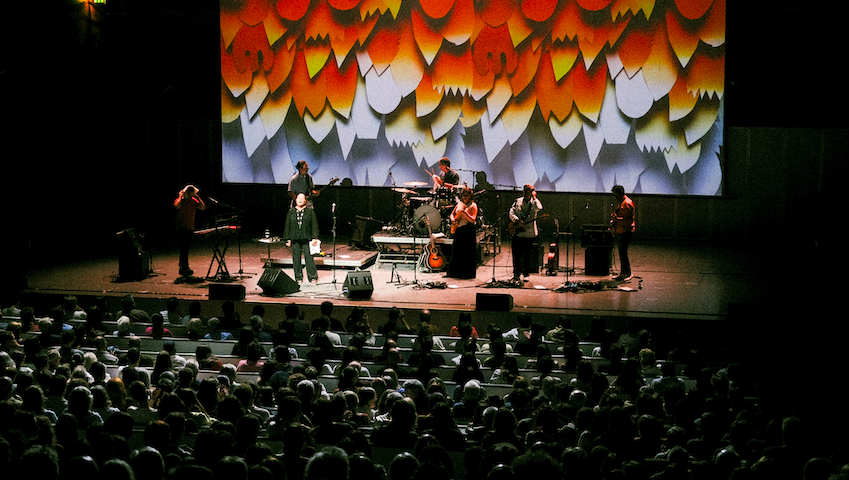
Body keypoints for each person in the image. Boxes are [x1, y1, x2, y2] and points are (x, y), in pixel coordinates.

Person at [508, 184, 543, 282]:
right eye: (526, 190)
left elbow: (539, 208)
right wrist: (516, 220)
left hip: (529, 233)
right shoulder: (517, 201)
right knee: (516, 254)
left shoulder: (535, 203)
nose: (527, 192)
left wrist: (535, 198)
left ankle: (526, 273)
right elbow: (511, 212)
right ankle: (516, 274)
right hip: (518, 232)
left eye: (530, 191)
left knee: (527, 254)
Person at [283, 193, 320, 284]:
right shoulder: (291, 211)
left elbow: (314, 225)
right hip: (295, 238)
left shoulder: (310, 211)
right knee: (296, 259)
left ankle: (312, 277)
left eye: (302, 198)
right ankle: (298, 277)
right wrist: (287, 238)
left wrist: (315, 237)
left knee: (309, 258)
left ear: (305, 201)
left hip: (307, 238)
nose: (300, 199)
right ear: (295, 200)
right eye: (298, 198)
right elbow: (287, 225)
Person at [445, 186, 478, 279]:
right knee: (456, 252)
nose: (465, 198)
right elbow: (452, 214)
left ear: (470, 196)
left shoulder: (473, 205)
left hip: (468, 230)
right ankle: (454, 272)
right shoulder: (460, 204)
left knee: (467, 253)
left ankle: (466, 274)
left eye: (467, 196)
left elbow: (473, 219)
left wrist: (465, 213)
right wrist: (453, 219)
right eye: (463, 196)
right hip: (459, 229)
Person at [174, 184, 207, 277]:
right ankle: (184, 267)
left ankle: (183, 266)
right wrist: (183, 197)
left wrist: (197, 197)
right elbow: (176, 206)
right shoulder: (180, 201)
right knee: (183, 248)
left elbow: (202, 207)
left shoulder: (193, 201)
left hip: (189, 227)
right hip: (182, 227)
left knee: (185, 248)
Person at [610, 184, 635, 281]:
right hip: (622, 230)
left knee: (623, 252)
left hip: (626, 231)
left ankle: (627, 273)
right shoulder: (622, 202)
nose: (615, 197)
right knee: (622, 252)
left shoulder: (626, 203)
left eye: (615, 194)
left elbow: (628, 219)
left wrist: (616, 219)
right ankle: (623, 272)